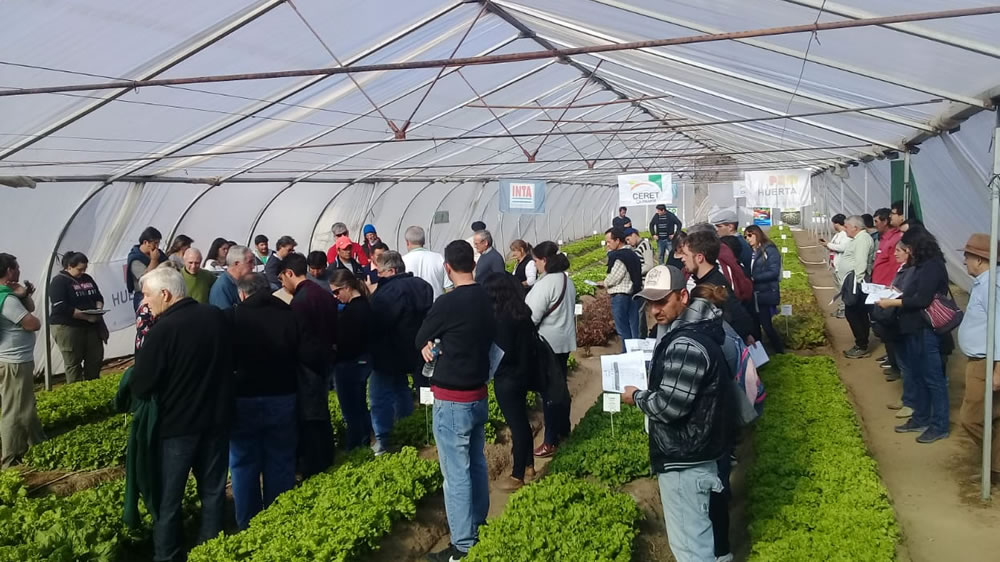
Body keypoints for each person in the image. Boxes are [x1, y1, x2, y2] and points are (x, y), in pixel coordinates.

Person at [623, 264, 735, 562]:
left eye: (662, 301)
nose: (655, 310)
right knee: (702, 539)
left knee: (691, 550)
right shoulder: (698, 329)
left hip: (686, 458)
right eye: (650, 302)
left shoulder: (686, 344)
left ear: (683, 296)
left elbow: (668, 407)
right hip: (699, 451)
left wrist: (636, 396)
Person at [128, 267, 232, 561]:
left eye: (147, 295)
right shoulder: (215, 317)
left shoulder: (164, 330)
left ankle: (167, 555)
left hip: (178, 426)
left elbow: (143, 384)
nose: (144, 303)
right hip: (216, 419)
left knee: (168, 498)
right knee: (212, 491)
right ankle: (210, 550)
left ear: (165, 294)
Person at [416, 240, 496, 562]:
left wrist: (429, 343)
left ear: (447, 267)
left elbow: (421, 335)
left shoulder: (447, 303)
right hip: (478, 394)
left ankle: (463, 545)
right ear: (473, 264)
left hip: (452, 400)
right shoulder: (486, 297)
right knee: (476, 464)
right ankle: (479, 525)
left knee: (456, 474)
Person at [228, 272, 298, 530]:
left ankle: (248, 523)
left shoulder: (234, 317)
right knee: (280, 459)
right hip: (283, 394)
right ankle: (279, 518)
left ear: (243, 293)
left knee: (244, 463)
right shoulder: (287, 313)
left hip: (244, 396)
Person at [876, 228, 950, 443]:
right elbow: (912, 293)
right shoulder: (920, 265)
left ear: (918, 246)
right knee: (918, 375)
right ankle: (921, 417)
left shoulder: (932, 266)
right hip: (913, 328)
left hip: (926, 329)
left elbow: (922, 300)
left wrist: (892, 301)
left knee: (933, 379)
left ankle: (939, 425)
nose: (906, 252)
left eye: (908, 248)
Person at [279, 253, 338, 476]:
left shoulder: (300, 302)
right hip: (325, 362)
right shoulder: (323, 295)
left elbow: (299, 338)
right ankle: (326, 459)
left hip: (307, 367)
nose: (283, 285)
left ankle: (315, 465)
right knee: (321, 415)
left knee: (311, 418)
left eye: (283, 279)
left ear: (289, 273)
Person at [368, 250, 433, 453]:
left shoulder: (387, 293)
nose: (378, 275)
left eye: (381, 272)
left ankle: (383, 440)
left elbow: (378, 324)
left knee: (380, 397)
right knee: (404, 391)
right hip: (417, 351)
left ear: (392, 270)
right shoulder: (423, 285)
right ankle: (411, 429)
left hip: (388, 354)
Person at [484, 272, 537, 491]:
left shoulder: (501, 318)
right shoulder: (521, 312)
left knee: (517, 425)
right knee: (521, 419)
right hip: (524, 373)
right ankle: (529, 465)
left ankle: (517, 475)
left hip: (507, 377)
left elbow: (501, 352)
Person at [525, 241, 576, 457]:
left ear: (544, 261)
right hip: (564, 342)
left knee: (549, 394)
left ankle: (550, 440)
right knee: (560, 389)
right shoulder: (566, 279)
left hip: (547, 346)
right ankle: (564, 431)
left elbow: (531, 317)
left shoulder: (545, 284)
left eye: (536, 260)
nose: (534, 265)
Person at [958, 233, 1000, 478]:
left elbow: (999, 328)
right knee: (993, 416)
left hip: (984, 363)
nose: (964, 261)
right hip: (982, 361)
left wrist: (997, 369)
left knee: (971, 418)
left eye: (967, 256)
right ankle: (994, 469)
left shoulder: (990, 287)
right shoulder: (985, 283)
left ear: (980, 260)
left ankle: (992, 460)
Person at [0, 254, 44, 468]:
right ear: (9, 270)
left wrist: (23, 294)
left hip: (16, 359)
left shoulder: (8, 294)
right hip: (14, 361)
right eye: (16, 267)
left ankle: (37, 442)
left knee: (26, 405)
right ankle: (10, 459)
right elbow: (32, 322)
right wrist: (20, 300)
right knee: (14, 410)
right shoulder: (6, 300)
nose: (19, 270)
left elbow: (30, 308)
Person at [679, 231, 755, 343]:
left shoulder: (713, 287)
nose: (682, 259)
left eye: (686, 254)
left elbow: (736, 317)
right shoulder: (709, 280)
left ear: (699, 258)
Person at [329, 269, 374, 451]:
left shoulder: (354, 311)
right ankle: (363, 440)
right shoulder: (364, 305)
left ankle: (356, 444)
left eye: (336, 291)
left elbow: (349, 341)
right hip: (362, 361)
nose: (335, 296)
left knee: (351, 408)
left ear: (347, 287)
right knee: (359, 404)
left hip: (350, 362)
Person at [49, 251, 107, 383]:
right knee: (73, 362)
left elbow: (98, 296)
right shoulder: (59, 281)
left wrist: (98, 310)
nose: (82, 272)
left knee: (95, 358)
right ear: (69, 266)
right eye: (79, 269)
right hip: (68, 326)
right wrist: (86, 316)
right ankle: (76, 390)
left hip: (91, 325)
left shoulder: (87, 278)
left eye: (84, 269)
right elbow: (60, 306)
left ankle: (94, 387)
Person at [872, 205, 904, 374]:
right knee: (882, 326)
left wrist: (891, 288)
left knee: (889, 326)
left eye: (877, 221)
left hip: (888, 290)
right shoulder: (884, 238)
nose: (875, 224)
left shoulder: (895, 240)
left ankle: (896, 364)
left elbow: (895, 267)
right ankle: (890, 357)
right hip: (879, 289)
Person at [600, 227, 643, 350]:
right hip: (633, 294)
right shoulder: (633, 254)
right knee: (633, 326)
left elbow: (615, 277)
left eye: (609, 241)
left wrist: (604, 283)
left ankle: (627, 355)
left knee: (623, 328)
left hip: (620, 296)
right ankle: (635, 353)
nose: (607, 245)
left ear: (617, 240)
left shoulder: (620, 256)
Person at [744, 225, 785, 354]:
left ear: (757, 234)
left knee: (766, 326)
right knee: (755, 325)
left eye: (750, 235)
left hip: (765, 293)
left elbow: (774, 272)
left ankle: (779, 352)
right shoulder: (752, 251)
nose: (748, 239)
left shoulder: (769, 250)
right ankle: (760, 354)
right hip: (755, 294)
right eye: (745, 237)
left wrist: (754, 278)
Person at [840, 216, 875, 358]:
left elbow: (861, 262)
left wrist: (858, 283)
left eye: (847, 226)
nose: (845, 229)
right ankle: (861, 343)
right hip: (854, 281)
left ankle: (861, 345)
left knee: (854, 312)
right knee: (857, 313)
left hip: (856, 282)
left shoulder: (862, 239)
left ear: (855, 227)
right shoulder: (859, 239)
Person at [402, 226, 451, 300]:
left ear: (407, 242)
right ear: (424, 241)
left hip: (413, 308)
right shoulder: (438, 258)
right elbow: (449, 287)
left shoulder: (403, 260)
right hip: (436, 307)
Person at [126, 226, 166, 311]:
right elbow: (146, 278)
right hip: (143, 295)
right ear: (145, 242)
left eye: (158, 243)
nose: (157, 246)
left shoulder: (160, 254)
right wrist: (154, 260)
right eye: (155, 243)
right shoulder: (135, 258)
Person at [820, 214, 849, 318]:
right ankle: (841, 308)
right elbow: (834, 247)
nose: (833, 225)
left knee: (842, 288)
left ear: (837, 223)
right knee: (838, 288)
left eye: (833, 223)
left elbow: (842, 248)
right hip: (835, 265)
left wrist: (828, 244)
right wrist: (827, 245)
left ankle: (844, 309)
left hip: (841, 266)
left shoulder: (845, 235)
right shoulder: (838, 235)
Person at [209, 245, 254, 310]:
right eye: (250, 262)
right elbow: (225, 316)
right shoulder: (222, 288)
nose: (253, 266)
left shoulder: (243, 283)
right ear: (236, 264)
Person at [711, 209, 751, 277]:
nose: (716, 230)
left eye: (719, 226)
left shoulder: (734, 244)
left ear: (730, 227)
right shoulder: (741, 240)